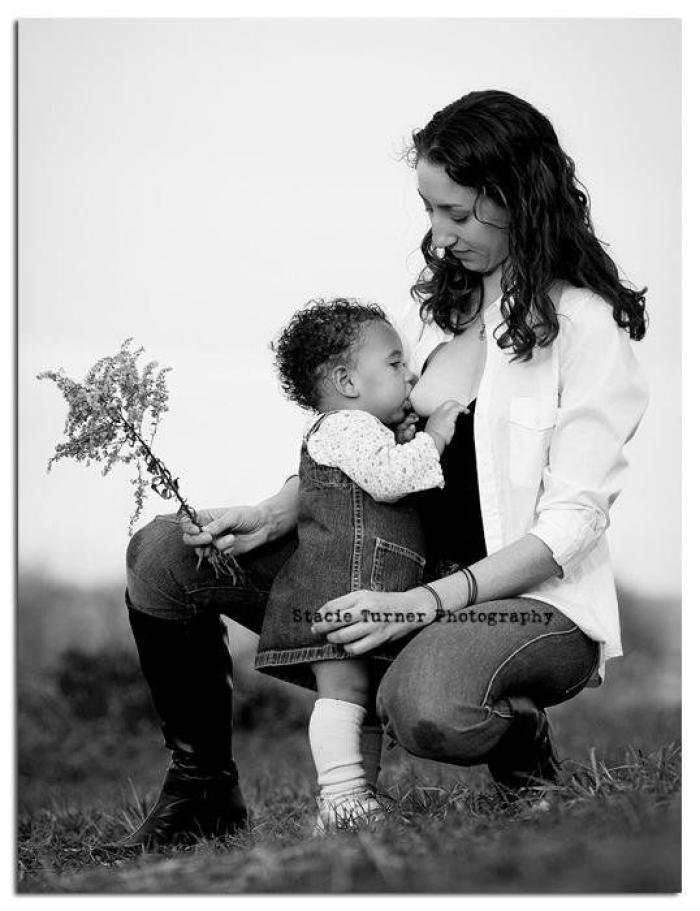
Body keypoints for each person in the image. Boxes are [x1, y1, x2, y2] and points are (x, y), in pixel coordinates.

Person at [116, 89, 648, 851]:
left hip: (530, 604)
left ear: (520, 201)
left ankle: (517, 734)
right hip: (394, 571)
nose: (438, 234)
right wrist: (273, 510)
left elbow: (572, 523)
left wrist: (425, 605)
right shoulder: (438, 319)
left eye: (458, 215)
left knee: (426, 706)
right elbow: (370, 447)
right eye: (430, 210)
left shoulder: (587, 329)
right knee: (167, 553)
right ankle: (204, 789)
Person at [253, 297, 465, 831]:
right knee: (344, 694)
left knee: (362, 699)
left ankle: (356, 805)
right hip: (342, 586)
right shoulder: (345, 428)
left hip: (368, 586)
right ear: (348, 382)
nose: (410, 374)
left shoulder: (369, 431)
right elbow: (391, 478)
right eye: (395, 364)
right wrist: (435, 436)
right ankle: (341, 797)